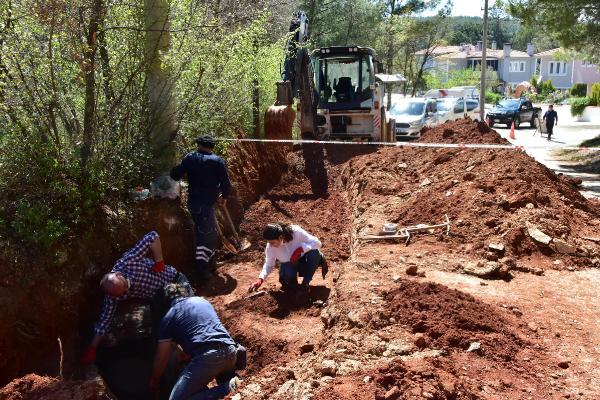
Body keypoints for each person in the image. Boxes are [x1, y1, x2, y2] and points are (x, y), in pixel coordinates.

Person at [81, 231, 193, 365]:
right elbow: (104, 322)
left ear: (118, 274)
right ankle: (183, 358)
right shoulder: (113, 297)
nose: (126, 289)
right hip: (158, 297)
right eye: (122, 292)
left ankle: (198, 348)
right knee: (161, 332)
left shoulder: (127, 261)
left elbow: (153, 236)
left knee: (187, 312)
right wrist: (92, 347)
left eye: (125, 285)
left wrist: (159, 261)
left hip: (174, 281)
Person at [149, 284, 240, 400]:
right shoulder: (202, 301)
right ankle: (232, 382)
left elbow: (161, 358)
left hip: (209, 357)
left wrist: (154, 379)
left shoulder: (168, 317)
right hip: (230, 350)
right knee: (219, 374)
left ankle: (227, 388)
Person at [170, 135, 232, 281]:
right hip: (204, 205)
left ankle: (209, 262)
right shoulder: (217, 161)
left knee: (203, 233)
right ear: (212, 147)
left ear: (199, 145)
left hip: (193, 204)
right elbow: (226, 185)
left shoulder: (190, 157)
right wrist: (224, 196)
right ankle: (202, 270)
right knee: (207, 236)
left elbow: (175, 175)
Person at [248, 222, 328, 294]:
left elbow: (317, 243)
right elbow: (269, 264)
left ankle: (305, 284)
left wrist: (300, 250)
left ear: (280, 237)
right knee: (288, 275)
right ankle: (293, 286)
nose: (270, 245)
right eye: (269, 242)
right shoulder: (270, 247)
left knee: (314, 253)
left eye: (272, 242)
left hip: (305, 261)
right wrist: (260, 279)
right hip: (289, 265)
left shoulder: (296, 232)